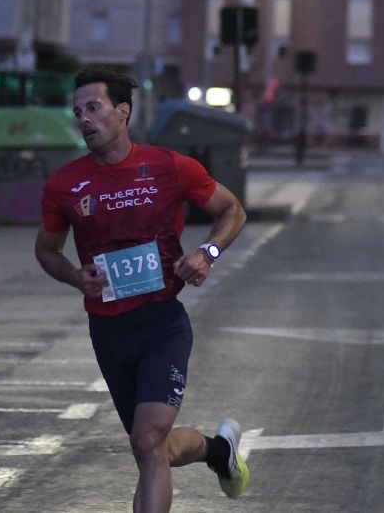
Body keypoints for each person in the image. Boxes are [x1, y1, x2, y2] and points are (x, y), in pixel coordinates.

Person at [34, 69, 250, 512]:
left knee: (148, 439)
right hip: (108, 331)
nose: (84, 119)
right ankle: (218, 451)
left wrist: (207, 252)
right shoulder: (64, 185)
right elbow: (47, 251)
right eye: (78, 112)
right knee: (153, 448)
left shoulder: (168, 167)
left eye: (93, 108)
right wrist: (76, 277)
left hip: (161, 323)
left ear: (123, 112)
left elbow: (232, 210)